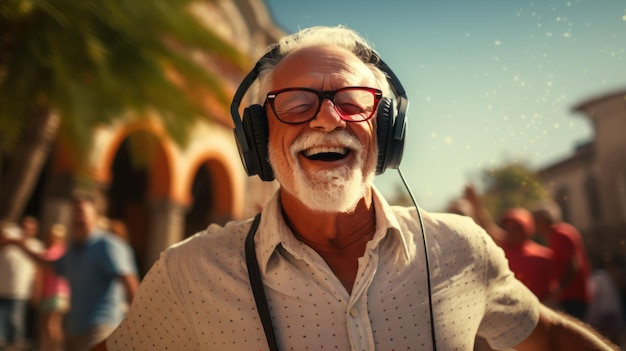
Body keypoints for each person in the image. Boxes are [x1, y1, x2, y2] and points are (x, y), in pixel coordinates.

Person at [98, 26, 617, 350]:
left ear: (386, 131)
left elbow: (547, 337)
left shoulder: (462, 247)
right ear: (259, 139)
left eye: (353, 100)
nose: (327, 119)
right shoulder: (190, 273)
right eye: (296, 103)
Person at [2, 194, 139, 351]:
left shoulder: (108, 245)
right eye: (74, 212)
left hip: (101, 328)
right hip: (75, 331)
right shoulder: (72, 250)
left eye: (81, 212)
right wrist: (19, 244)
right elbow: (48, 263)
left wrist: (136, 325)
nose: (77, 217)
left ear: (96, 215)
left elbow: (130, 283)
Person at [532, 199, 592, 321]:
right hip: (572, 295)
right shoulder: (559, 233)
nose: (534, 224)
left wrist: (559, 290)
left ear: (545, 219)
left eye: (536, 220)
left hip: (572, 295)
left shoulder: (561, 234)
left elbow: (573, 265)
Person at [0, 216, 44, 350]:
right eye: (25, 225)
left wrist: (37, 292)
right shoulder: (9, 241)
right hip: (2, 289)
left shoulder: (36, 246)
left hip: (20, 292)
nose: (27, 228)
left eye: (30, 226)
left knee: (16, 322)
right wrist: (16, 241)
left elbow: (39, 271)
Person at [35, 223, 71, 351]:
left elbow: (43, 270)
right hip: (49, 292)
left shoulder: (55, 252)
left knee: (51, 325)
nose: (52, 239)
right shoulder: (63, 251)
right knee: (47, 325)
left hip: (56, 293)